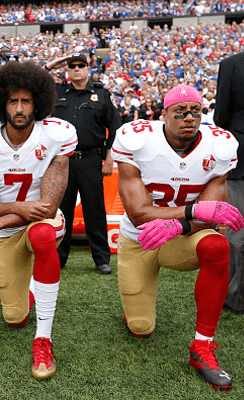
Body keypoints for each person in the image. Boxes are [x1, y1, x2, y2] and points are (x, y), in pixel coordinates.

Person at [111, 85, 243, 390]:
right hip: (140, 241)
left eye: (195, 111)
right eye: (180, 111)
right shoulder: (138, 140)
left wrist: (181, 225)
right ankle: (134, 302)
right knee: (141, 328)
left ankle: (202, 347)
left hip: (182, 239)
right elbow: (139, 214)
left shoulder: (219, 145)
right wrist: (191, 211)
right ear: (163, 115)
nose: (189, 117)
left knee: (216, 244)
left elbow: (213, 218)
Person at [0, 61, 77, 379]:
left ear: (38, 102)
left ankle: (44, 338)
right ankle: (30, 292)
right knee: (14, 318)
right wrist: (7, 216)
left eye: (26, 100)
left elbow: (48, 208)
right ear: (1, 103)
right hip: (9, 233)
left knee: (41, 235)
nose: (19, 107)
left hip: (42, 222)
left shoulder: (57, 135)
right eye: (13, 100)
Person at [43, 53, 122, 274]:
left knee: (94, 211)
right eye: (72, 66)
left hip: (91, 159)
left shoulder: (101, 95)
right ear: (67, 70)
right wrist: (51, 64)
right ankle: (58, 256)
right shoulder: (57, 92)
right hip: (61, 161)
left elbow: (115, 127)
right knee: (61, 210)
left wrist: (108, 159)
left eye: (81, 65)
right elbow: (33, 79)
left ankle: (101, 259)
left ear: (89, 69)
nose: (76, 69)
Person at [213, 52, 244, 314]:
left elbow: (221, 115)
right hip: (240, 162)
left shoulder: (232, 65)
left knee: (238, 234)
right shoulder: (231, 64)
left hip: (241, 158)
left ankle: (236, 297)